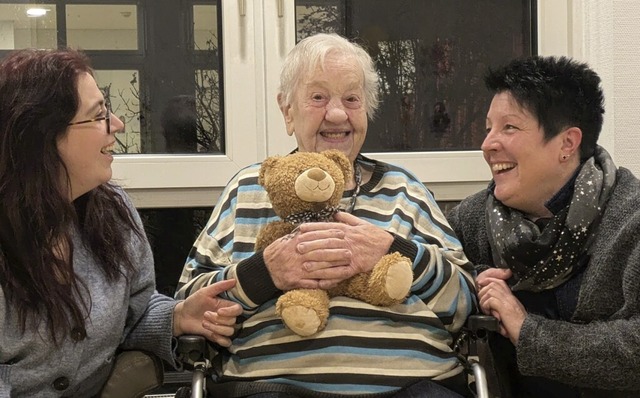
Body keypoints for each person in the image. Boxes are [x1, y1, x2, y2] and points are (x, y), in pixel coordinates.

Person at [175, 33, 477, 398]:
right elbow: (188, 311)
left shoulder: (405, 190)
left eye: (352, 99)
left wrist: (396, 251)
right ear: (287, 111)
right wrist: (265, 274)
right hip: (273, 387)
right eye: (318, 98)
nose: (337, 114)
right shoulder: (249, 189)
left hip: (414, 386)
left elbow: (465, 305)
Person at [0, 48, 242, 397]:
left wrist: (176, 317)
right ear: (42, 136)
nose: (117, 124)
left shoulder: (112, 212)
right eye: (99, 115)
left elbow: (135, 310)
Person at [447, 55, 640, 397]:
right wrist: (469, 282)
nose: (488, 144)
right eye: (489, 127)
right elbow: (426, 267)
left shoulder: (630, 218)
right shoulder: (473, 219)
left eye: (509, 127)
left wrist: (526, 330)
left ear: (567, 144)